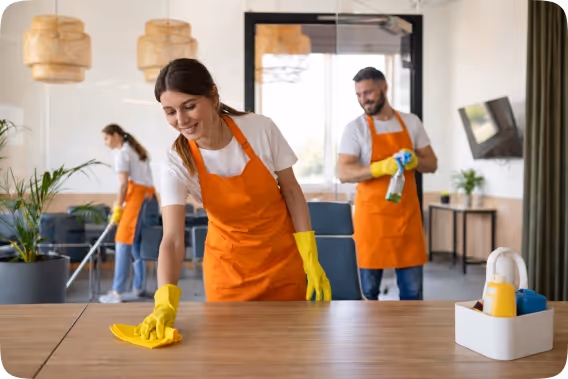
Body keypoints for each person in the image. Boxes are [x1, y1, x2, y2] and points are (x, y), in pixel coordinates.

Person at [134, 58, 331, 340]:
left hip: (283, 264)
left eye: (189, 106)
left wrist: (309, 256)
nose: (181, 120)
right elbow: (173, 239)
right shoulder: (176, 162)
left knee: (290, 352)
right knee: (230, 357)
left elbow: (290, 191)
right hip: (228, 274)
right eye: (170, 112)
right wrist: (164, 300)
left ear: (213, 95)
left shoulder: (260, 129)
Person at [337, 67, 438, 301]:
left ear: (384, 88)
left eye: (369, 92)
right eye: (359, 95)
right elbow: (343, 172)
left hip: (407, 222)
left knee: (413, 294)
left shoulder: (411, 122)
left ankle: (410, 337)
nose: (364, 100)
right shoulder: (355, 129)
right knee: (366, 296)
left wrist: (416, 161)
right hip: (372, 223)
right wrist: (379, 167)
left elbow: (431, 163)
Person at [99, 124, 160, 303]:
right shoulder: (135, 150)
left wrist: (117, 207)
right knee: (137, 245)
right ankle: (139, 287)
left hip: (137, 199)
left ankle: (117, 291)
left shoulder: (123, 153)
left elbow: (124, 185)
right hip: (149, 199)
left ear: (116, 135)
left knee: (123, 242)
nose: (106, 143)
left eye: (106, 138)